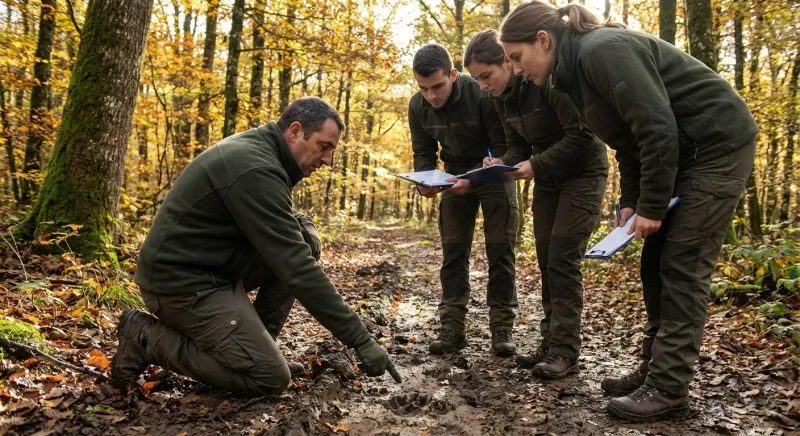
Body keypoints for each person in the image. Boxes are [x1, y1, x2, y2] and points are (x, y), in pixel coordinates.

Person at [499, 0, 758, 422]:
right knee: (654, 262)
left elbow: (654, 124)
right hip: (680, 153)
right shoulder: (569, 77)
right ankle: (655, 370)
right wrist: (632, 202)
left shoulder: (601, 50)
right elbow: (626, 140)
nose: (517, 68)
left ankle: (670, 387)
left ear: (543, 40)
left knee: (682, 262)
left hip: (716, 147)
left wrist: (653, 205)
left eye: (517, 56)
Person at [112, 97, 391, 398]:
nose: (327, 161)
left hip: (213, 271)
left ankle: (256, 349)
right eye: (324, 147)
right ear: (295, 132)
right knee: (269, 378)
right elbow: (297, 269)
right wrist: (360, 339)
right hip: (180, 286)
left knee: (303, 244)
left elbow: (283, 222)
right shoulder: (254, 166)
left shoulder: (264, 155)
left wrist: (304, 226)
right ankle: (143, 337)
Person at [464, 29, 608, 379]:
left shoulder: (548, 82)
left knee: (562, 257)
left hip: (583, 175)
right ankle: (549, 342)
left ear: (508, 62)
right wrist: (500, 162)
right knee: (546, 257)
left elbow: (583, 136)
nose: (483, 85)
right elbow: (517, 148)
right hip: (547, 179)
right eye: (476, 79)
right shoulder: (502, 99)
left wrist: (535, 164)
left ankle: (565, 350)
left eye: (487, 75)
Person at [408, 43, 519, 357]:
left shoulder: (481, 94)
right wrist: (424, 183)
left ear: (453, 75)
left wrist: (475, 178)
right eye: (424, 88)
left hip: (493, 174)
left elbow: (504, 146)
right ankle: (452, 328)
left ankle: (502, 329)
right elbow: (423, 154)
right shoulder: (417, 106)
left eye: (438, 86)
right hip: (452, 177)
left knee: (500, 249)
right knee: (453, 252)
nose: (432, 95)